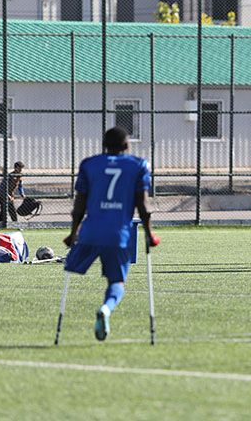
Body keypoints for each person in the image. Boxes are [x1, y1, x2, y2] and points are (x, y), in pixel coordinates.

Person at [63, 127, 158, 341]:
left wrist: (73, 233)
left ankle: (100, 311)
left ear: (104, 145)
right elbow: (143, 205)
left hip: (89, 233)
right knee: (117, 281)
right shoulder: (138, 165)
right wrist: (150, 234)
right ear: (126, 145)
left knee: (70, 269)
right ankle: (106, 308)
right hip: (118, 234)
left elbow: (80, 203)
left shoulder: (89, 164)